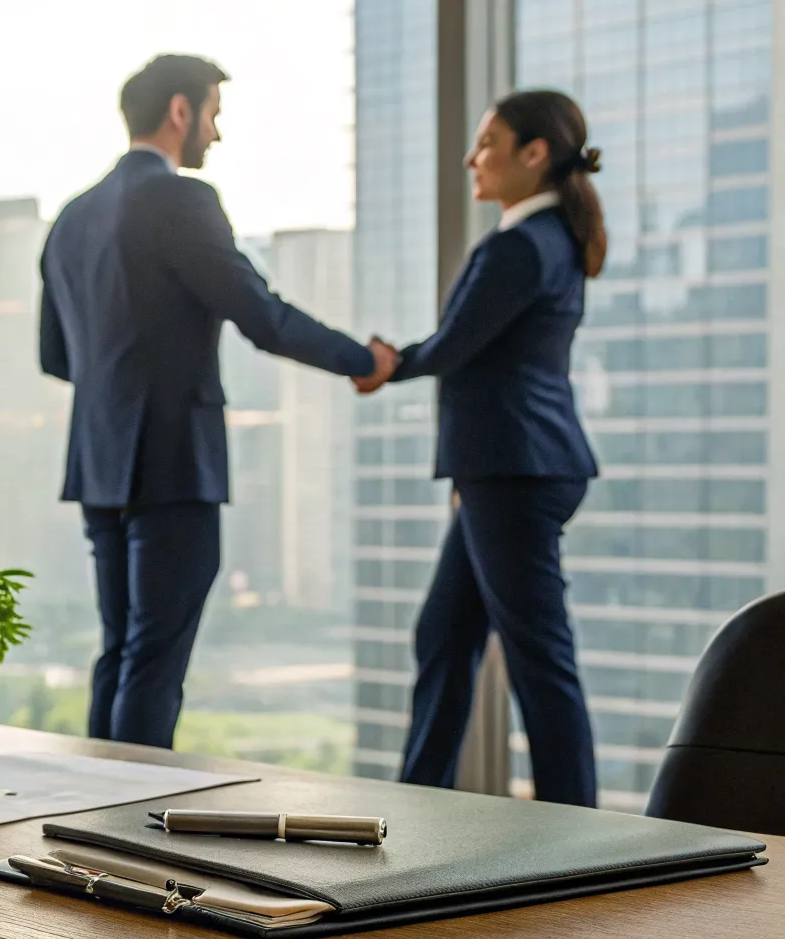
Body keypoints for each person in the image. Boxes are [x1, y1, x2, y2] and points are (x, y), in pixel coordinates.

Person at [39, 54, 398, 747]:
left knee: (119, 651)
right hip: (172, 462)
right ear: (181, 111)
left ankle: (89, 816)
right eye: (214, 114)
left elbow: (55, 357)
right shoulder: (180, 200)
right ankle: (125, 829)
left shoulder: (71, 219)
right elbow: (261, 316)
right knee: (153, 659)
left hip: (98, 463)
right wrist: (363, 360)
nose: (217, 134)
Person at [358, 90, 604, 806]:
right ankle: (418, 803)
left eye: (488, 142)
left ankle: (575, 829)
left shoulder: (520, 244)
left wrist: (383, 361)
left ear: (534, 153)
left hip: (514, 471)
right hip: (509, 468)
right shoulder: (551, 236)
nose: (474, 157)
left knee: (538, 659)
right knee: (443, 636)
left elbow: (456, 344)